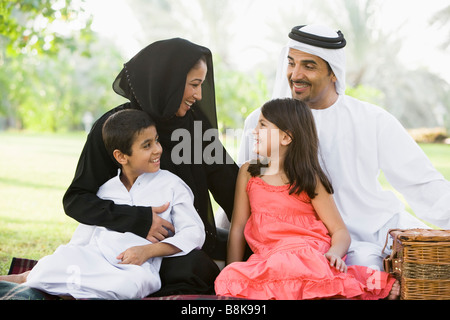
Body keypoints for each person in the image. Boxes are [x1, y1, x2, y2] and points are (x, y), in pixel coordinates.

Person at [238, 24, 450, 270]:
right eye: (291, 62)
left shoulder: (372, 120)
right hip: (298, 247)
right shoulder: (259, 121)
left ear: (334, 72)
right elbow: (247, 188)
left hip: (373, 234)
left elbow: (423, 184)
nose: (295, 75)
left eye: (309, 66)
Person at [62, 38, 239, 295]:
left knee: (200, 264)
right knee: (175, 270)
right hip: (124, 244)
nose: (199, 95)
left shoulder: (194, 127)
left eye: (201, 85)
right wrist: (140, 220)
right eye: (193, 85)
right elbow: (77, 200)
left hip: (185, 242)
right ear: (168, 81)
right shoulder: (113, 129)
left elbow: (230, 187)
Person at [1, 109, 205, 299]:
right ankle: (26, 278)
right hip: (95, 259)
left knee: (127, 286)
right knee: (55, 264)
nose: (158, 150)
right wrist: (67, 258)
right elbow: (83, 239)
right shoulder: (106, 189)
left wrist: (149, 251)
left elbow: (194, 233)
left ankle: (64, 287)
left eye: (156, 141)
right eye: (147, 145)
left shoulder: (171, 184)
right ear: (121, 156)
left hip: (134, 267)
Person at [215, 98, 399, 300]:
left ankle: (346, 287)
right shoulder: (249, 173)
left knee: (300, 271)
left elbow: (339, 231)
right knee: (228, 278)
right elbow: (238, 227)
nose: (254, 131)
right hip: (268, 258)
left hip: (308, 254)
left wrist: (335, 253)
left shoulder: (308, 179)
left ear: (286, 138)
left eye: (263, 125)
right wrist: (232, 267)